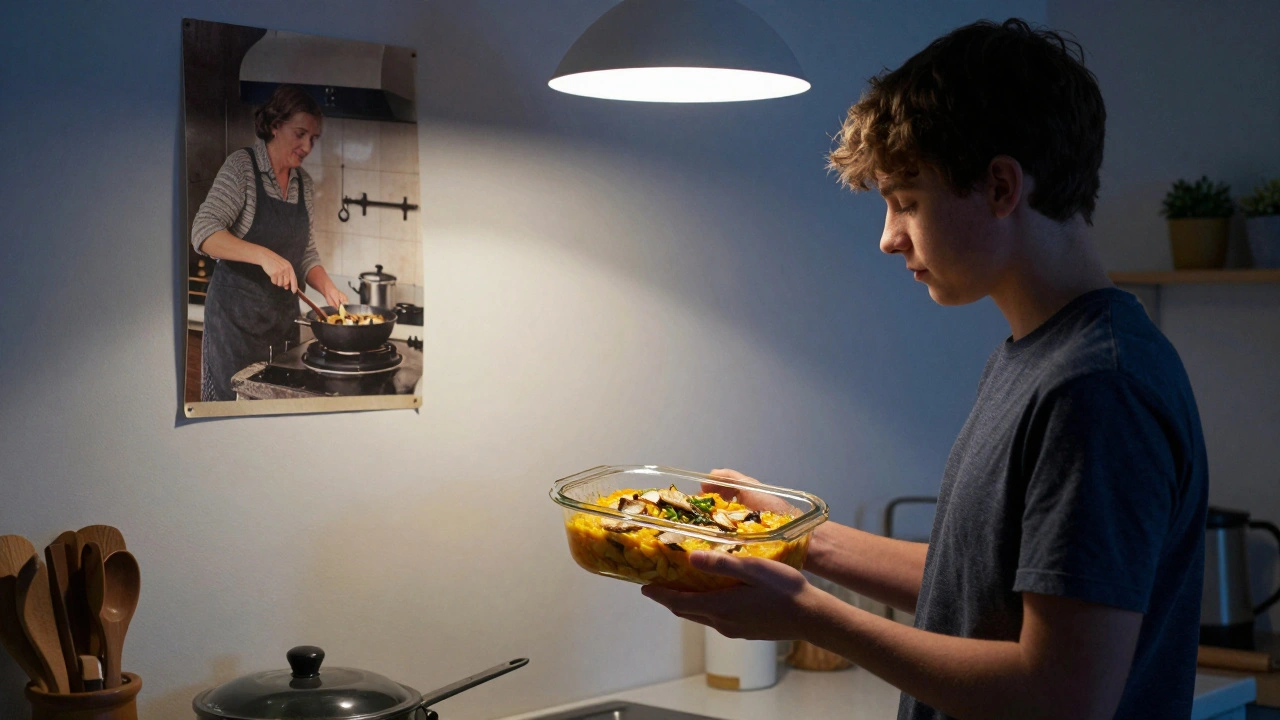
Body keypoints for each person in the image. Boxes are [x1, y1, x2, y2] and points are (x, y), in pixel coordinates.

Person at [640, 18, 1208, 720]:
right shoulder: (1038, 358)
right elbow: (975, 590)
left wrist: (811, 617)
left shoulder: (1098, 387)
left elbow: (1063, 694)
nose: (888, 237)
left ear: (1001, 187)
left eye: (907, 202)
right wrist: (796, 536)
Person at [191, 84, 348, 401]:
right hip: (234, 326)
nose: (307, 146)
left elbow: (305, 253)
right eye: (300, 134)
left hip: (280, 325)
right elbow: (203, 231)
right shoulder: (242, 168)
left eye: (313, 139)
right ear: (275, 125)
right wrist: (263, 255)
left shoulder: (303, 183)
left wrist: (329, 290)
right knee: (231, 421)